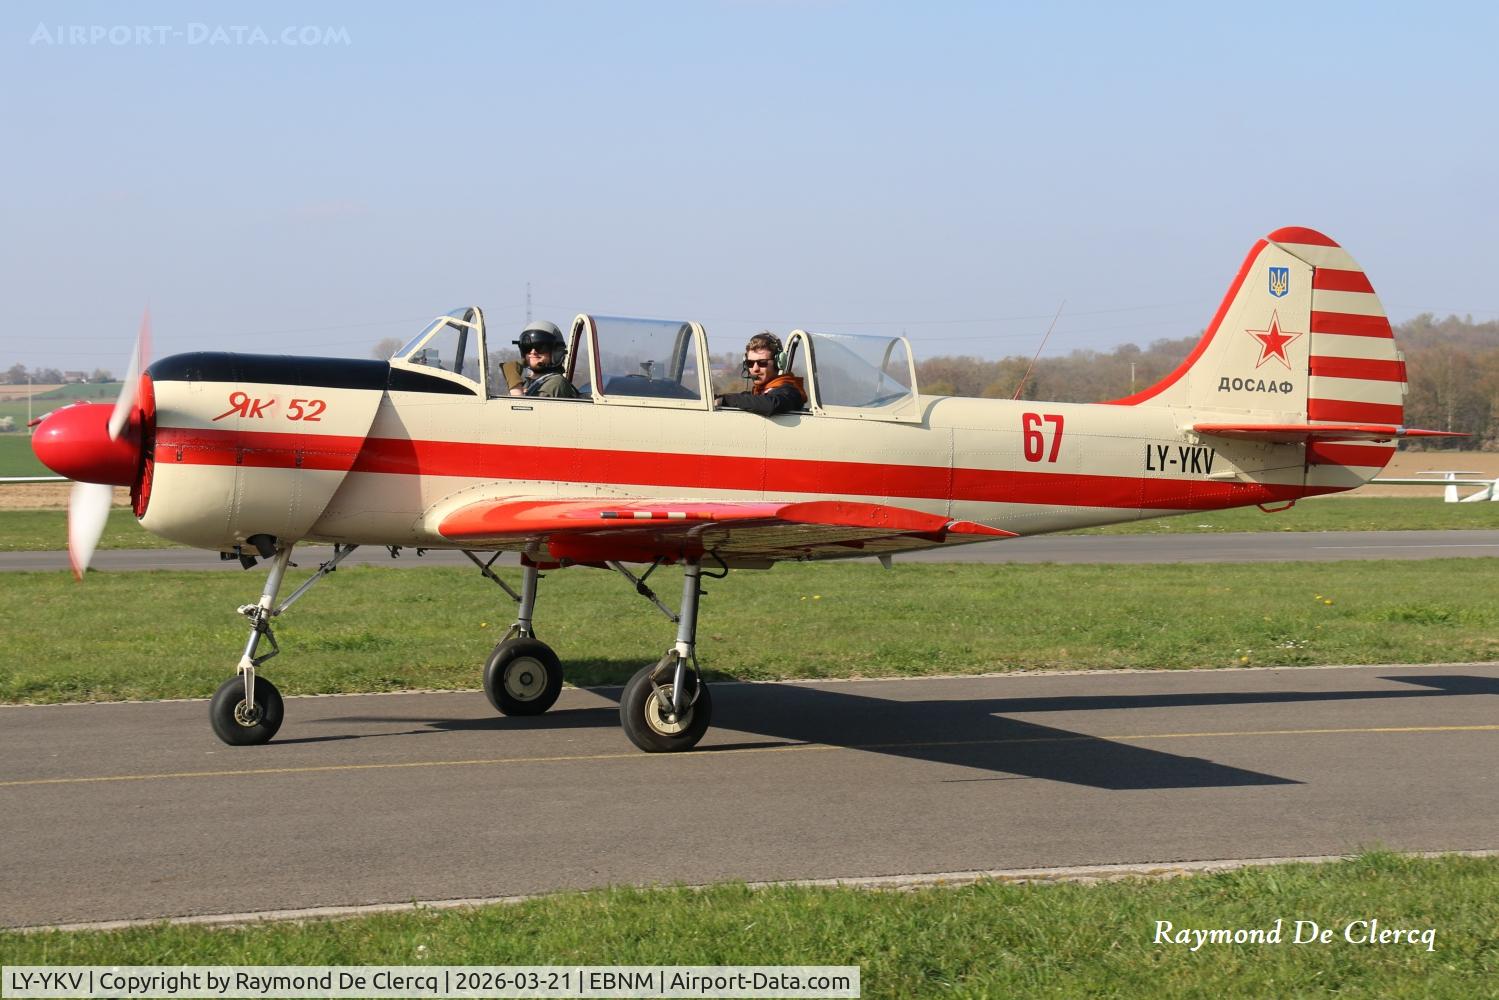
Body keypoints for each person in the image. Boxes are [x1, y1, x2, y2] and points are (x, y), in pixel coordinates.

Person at [715, 331, 806, 416]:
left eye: (762, 363)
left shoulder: (790, 392)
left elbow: (771, 404)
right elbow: (747, 399)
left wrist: (726, 400)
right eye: (750, 363)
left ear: (777, 363)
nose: (755, 369)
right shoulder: (758, 393)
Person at [511, 321, 579, 398]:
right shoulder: (528, 383)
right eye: (527, 347)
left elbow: (534, 409)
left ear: (556, 352)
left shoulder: (556, 383)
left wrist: (515, 390)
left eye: (541, 347)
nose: (533, 352)